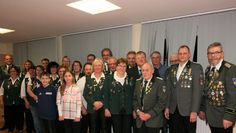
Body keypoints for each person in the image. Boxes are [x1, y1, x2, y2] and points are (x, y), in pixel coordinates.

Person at [164, 45, 204, 133]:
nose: (182, 55)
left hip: (188, 110)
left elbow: (197, 91)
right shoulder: (172, 69)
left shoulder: (196, 67)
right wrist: (167, 107)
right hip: (173, 109)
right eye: (180, 53)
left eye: (185, 53)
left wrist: (194, 111)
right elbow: (169, 90)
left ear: (189, 55)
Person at [199, 42, 236, 133]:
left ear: (222, 54)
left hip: (223, 117)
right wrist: (203, 109)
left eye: (216, 52)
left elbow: (233, 95)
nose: (213, 56)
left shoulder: (230, 69)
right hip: (211, 116)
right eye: (210, 53)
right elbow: (206, 92)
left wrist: (229, 116)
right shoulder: (208, 69)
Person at [133, 63, 167, 133]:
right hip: (140, 120)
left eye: (147, 70)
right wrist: (138, 112)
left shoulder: (159, 82)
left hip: (154, 120)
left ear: (152, 71)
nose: (144, 73)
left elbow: (161, 102)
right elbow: (135, 99)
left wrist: (149, 115)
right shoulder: (138, 82)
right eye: (143, 70)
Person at [106, 58, 135, 133]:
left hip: (128, 110)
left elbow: (134, 95)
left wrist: (134, 109)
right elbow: (106, 95)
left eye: (124, 66)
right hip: (114, 110)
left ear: (126, 67)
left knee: (127, 130)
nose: (122, 68)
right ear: (116, 67)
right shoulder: (109, 78)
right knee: (117, 130)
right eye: (119, 65)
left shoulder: (131, 78)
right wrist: (106, 109)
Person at [83, 59, 110, 133]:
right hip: (92, 108)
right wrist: (94, 102)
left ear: (102, 67)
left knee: (104, 128)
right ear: (93, 67)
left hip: (104, 107)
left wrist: (101, 103)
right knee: (93, 128)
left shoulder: (107, 77)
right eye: (95, 65)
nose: (97, 67)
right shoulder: (88, 78)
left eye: (99, 65)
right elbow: (85, 94)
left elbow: (109, 93)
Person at [0, 66, 24, 133]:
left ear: (17, 72)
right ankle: (11, 129)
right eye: (11, 71)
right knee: (9, 116)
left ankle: (19, 128)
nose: (12, 72)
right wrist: (1, 101)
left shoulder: (21, 80)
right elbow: (1, 92)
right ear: (9, 73)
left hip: (19, 102)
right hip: (8, 102)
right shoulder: (5, 81)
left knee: (19, 116)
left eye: (14, 71)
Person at [26, 65, 44, 133]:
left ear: (43, 71)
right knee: (36, 119)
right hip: (33, 103)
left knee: (43, 119)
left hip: (44, 103)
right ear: (35, 71)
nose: (38, 71)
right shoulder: (31, 79)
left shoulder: (45, 78)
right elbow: (28, 90)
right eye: (37, 70)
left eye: (40, 70)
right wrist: (34, 96)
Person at [77, 63, 93, 133]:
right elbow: (78, 96)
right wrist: (82, 108)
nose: (88, 71)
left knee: (94, 128)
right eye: (86, 69)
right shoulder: (80, 81)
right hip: (84, 109)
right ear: (84, 70)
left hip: (94, 109)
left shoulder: (96, 80)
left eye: (90, 69)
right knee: (84, 128)